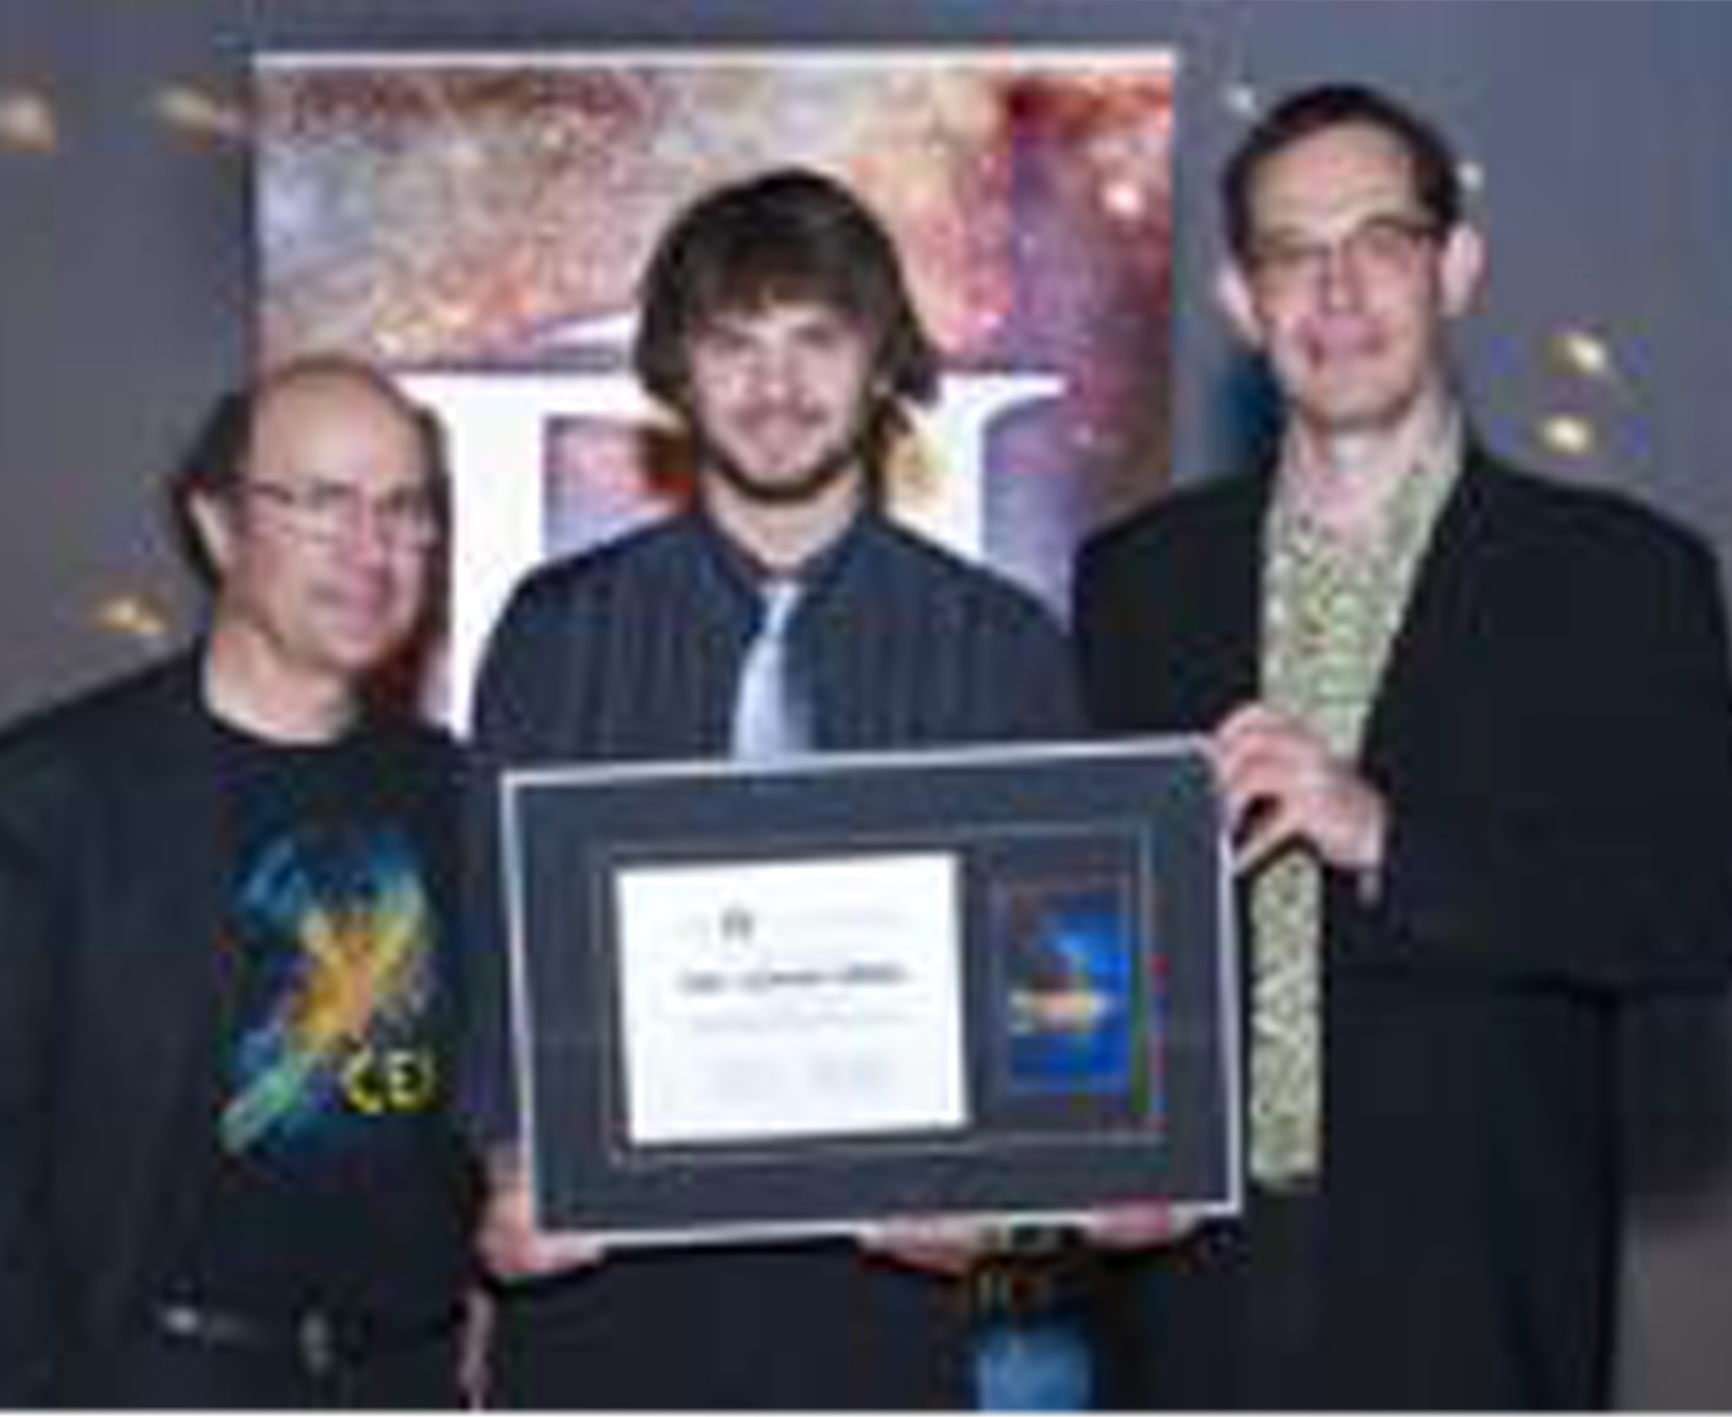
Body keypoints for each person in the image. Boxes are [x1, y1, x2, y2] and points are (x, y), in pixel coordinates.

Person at [1073, 82, 1732, 1408]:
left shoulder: (1623, 577)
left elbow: (1690, 909)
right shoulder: (1138, 578)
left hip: (1475, 1287)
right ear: (1240, 303)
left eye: (1382, 240)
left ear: (1459, 268)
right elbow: (1087, 919)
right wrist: (1082, 1139)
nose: (1339, 290)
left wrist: (1388, 837)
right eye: (1292, 255)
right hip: (1187, 1292)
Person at [465, 167, 1088, 1408]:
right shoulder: (553, 632)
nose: (776, 386)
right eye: (733, 343)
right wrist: (500, 1173)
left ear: (881, 365)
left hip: (884, 1308)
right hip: (604, 1299)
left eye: (818, 339)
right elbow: (497, 950)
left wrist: (1003, 1203)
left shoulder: (1000, 647)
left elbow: (1050, 991)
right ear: (674, 371)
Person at [0, 356, 478, 1406]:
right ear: (218, 526)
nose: (370, 549)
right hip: (155, 1380)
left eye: (404, 508)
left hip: (402, 1379)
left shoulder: (454, 792)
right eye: (322, 504)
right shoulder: (46, 797)